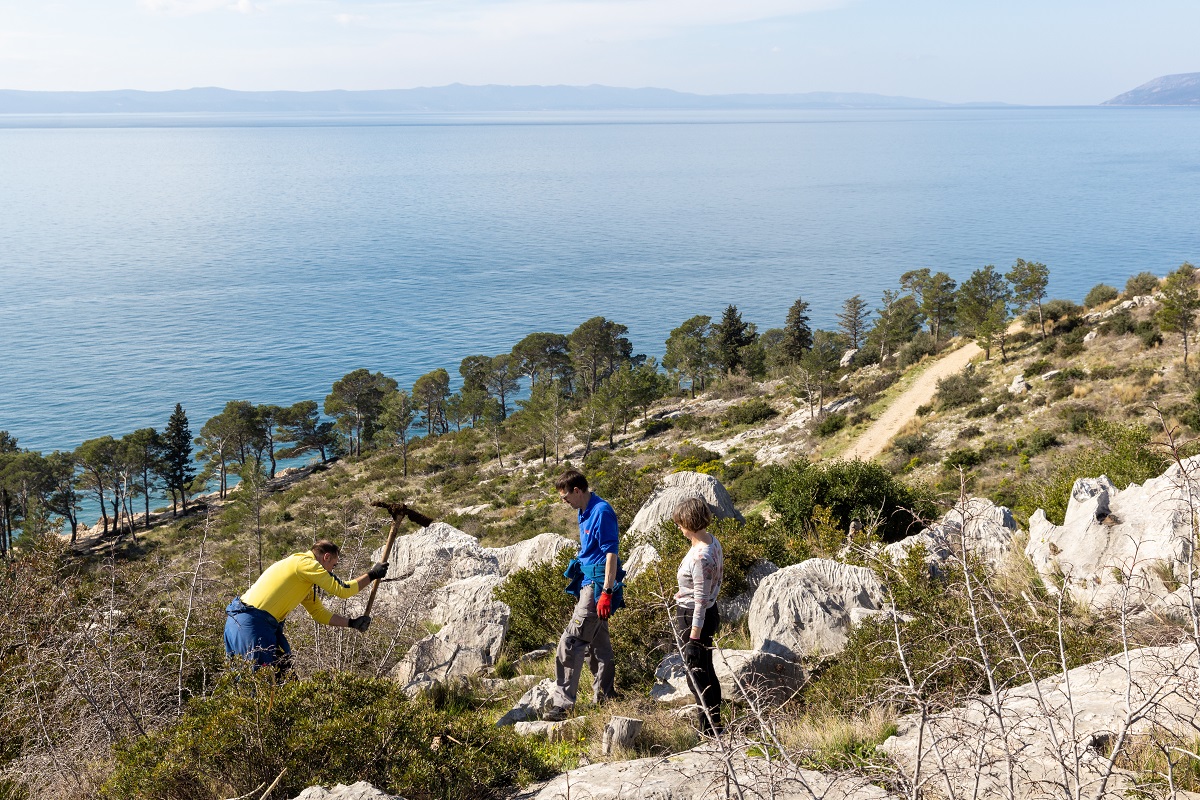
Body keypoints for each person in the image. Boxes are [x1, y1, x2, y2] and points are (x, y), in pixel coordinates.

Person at [224, 539, 388, 672]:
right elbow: (342, 590)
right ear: (326, 557)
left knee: (284, 679)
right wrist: (372, 575)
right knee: (261, 689)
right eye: (333, 565)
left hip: (246, 624)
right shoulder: (305, 564)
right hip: (251, 625)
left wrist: (352, 623)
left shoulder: (303, 577)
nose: (331, 571)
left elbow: (318, 613)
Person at [545, 468, 622, 719]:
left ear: (577, 491)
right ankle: (606, 697)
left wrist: (607, 593)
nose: (565, 503)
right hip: (587, 582)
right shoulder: (583, 510)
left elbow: (611, 553)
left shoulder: (601, 512)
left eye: (565, 498)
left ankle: (563, 705)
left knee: (571, 642)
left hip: (597, 585)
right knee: (598, 645)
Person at [672, 496, 724, 735]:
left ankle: (709, 729)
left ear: (690, 522)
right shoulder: (712, 542)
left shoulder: (700, 556)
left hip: (695, 617)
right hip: (707, 611)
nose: (679, 527)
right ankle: (715, 724)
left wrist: (693, 639)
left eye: (681, 523)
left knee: (696, 674)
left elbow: (700, 599)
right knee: (706, 670)